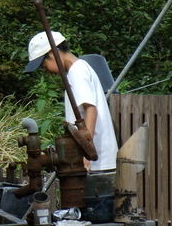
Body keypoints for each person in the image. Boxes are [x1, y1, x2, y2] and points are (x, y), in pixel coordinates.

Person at [24, 31, 118, 173]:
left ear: (54, 53)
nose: (46, 71)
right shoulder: (80, 68)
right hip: (96, 159)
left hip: (96, 161)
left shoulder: (77, 71)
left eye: (44, 66)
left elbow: (91, 110)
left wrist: (87, 149)